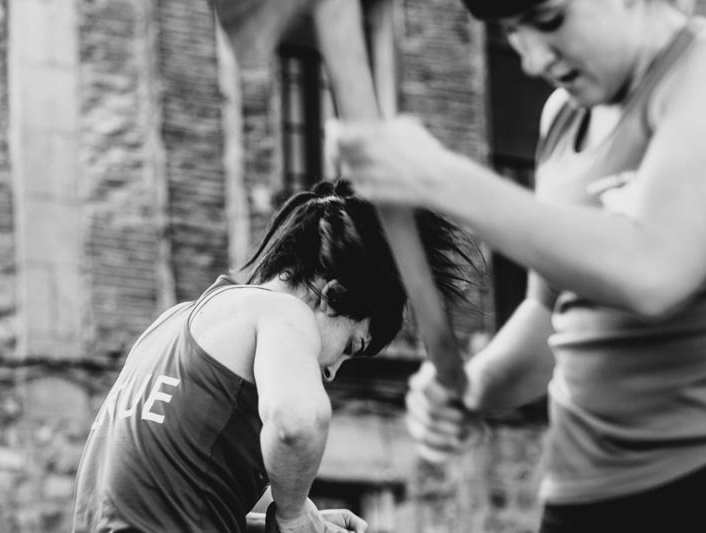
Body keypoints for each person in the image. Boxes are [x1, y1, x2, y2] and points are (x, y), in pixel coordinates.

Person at [328, 1, 706, 532]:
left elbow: (653, 272)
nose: (533, 60)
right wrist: (471, 386)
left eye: (550, 21)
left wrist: (441, 177)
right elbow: (550, 316)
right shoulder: (563, 115)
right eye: (513, 32)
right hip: (580, 492)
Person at [72, 179, 476, 533]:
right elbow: (297, 423)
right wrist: (294, 515)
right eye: (349, 347)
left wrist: (281, 525)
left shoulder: (170, 324)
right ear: (332, 295)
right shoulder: (285, 313)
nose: (332, 372)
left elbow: (165, 506)